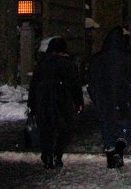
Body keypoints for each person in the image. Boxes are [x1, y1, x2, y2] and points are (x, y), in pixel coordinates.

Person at [87, 26, 131, 168]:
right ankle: (120, 147)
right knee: (124, 124)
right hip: (124, 98)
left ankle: (110, 150)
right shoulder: (128, 56)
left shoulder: (98, 58)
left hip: (105, 99)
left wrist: (96, 96)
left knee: (108, 125)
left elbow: (92, 80)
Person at [27, 36, 84, 169]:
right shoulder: (68, 64)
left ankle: (47, 155)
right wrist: (78, 102)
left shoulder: (42, 64)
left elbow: (34, 85)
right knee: (65, 129)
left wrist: (32, 104)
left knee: (46, 130)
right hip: (62, 100)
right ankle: (57, 154)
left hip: (44, 100)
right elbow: (75, 85)